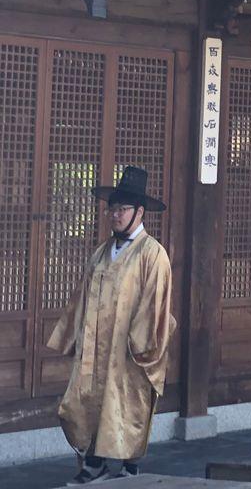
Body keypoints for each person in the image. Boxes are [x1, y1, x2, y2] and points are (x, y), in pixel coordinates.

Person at [48, 166, 175, 483]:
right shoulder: (101, 253)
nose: (115, 215)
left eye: (122, 209)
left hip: (130, 351)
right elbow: (82, 298)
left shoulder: (152, 254)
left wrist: (141, 346)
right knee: (87, 402)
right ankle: (95, 463)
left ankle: (129, 467)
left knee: (127, 405)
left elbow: (155, 305)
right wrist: (75, 337)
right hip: (95, 347)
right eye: (112, 209)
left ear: (139, 212)